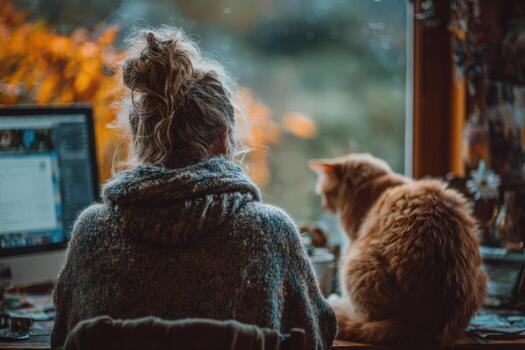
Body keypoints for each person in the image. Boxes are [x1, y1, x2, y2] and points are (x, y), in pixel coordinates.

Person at [51, 28, 336, 349]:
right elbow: (315, 338)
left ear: (139, 138)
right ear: (223, 137)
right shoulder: (271, 231)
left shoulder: (92, 232)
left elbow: (62, 339)